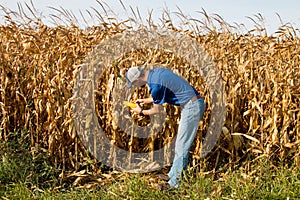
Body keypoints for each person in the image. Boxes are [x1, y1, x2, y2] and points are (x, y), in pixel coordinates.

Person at [125, 66, 206, 189]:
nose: (135, 86)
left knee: (181, 145)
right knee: (180, 144)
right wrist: (145, 101)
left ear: (137, 79)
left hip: (192, 107)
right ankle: (172, 174)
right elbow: (164, 93)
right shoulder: (157, 73)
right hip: (193, 103)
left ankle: (175, 184)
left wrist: (140, 112)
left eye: (134, 84)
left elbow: (157, 110)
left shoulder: (155, 85)